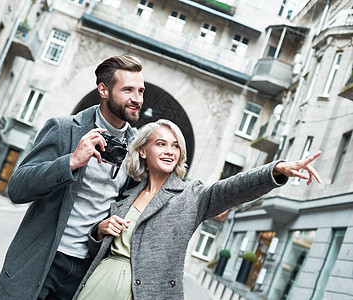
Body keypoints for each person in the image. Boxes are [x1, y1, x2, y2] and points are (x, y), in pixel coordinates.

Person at [74, 119, 322, 300]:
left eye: (175, 146)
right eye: (161, 144)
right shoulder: (125, 193)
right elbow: (98, 248)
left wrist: (275, 170)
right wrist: (99, 230)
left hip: (148, 292)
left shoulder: (191, 196)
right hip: (101, 284)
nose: (170, 151)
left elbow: (232, 188)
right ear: (142, 150)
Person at [0, 55, 145, 300]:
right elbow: (17, 189)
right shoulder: (64, 129)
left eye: (140, 91)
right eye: (128, 90)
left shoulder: (138, 147)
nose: (137, 99)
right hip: (41, 261)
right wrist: (71, 161)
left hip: (86, 271)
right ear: (103, 90)